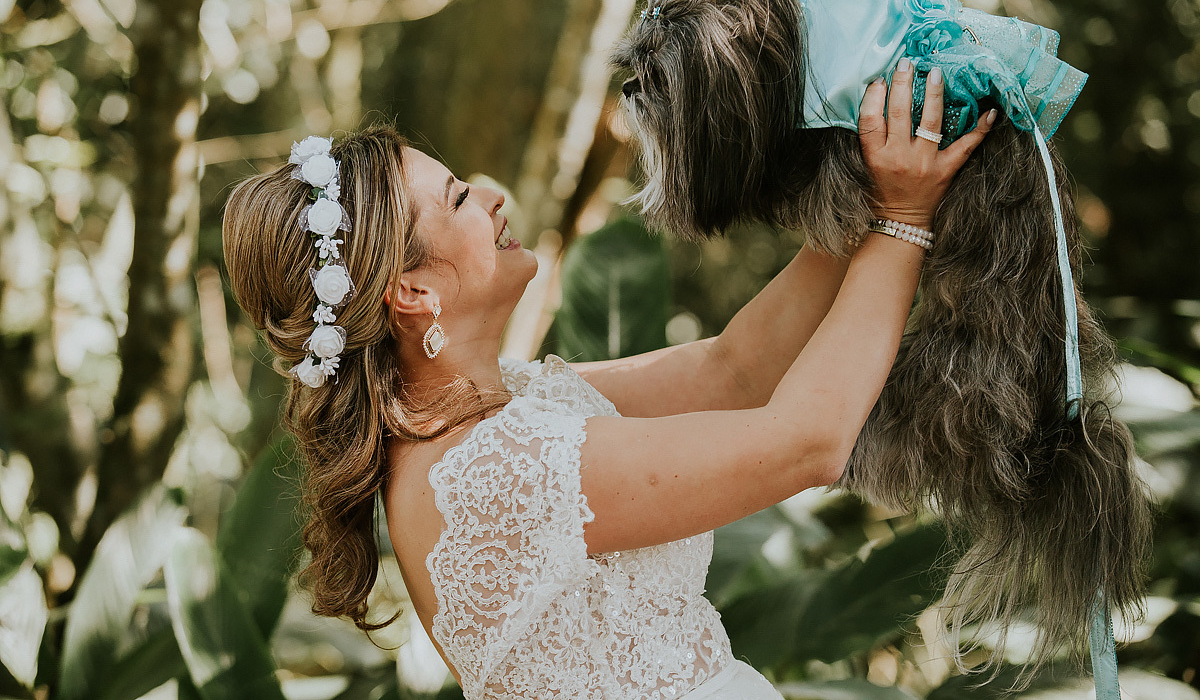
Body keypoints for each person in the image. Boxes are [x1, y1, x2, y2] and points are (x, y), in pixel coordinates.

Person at [221, 58, 992, 698]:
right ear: (414, 293)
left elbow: (737, 369)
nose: (489, 193)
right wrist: (903, 218)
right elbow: (807, 444)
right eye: (458, 196)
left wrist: (858, 185)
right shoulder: (492, 477)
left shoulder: (505, 412)